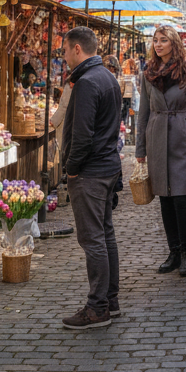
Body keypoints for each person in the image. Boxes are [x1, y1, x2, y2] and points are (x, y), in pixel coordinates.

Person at [59, 27, 123, 330]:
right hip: (107, 167)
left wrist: (71, 168)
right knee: (105, 234)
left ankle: (98, 308)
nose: (63, 56)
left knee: (93, 239)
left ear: (76, 49)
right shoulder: (107, 76)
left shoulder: (86, 82)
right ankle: (110, 300)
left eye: (64, 50)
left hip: (92, 172)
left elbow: (82, 135)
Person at [136, 25, 186, 278]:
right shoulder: (147, 73)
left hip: (183, 138)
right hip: (157, 138)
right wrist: (140, 149)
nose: (158, 45)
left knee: (181, 198)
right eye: (155, 40)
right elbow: (143, 113)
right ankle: (174, 252)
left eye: (164, 40)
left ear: (174, 44)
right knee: (165, 199)